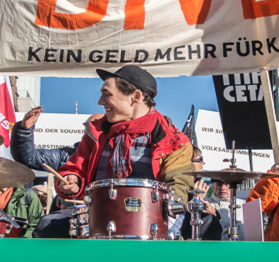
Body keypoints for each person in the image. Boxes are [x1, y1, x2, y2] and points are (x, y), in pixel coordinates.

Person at [55, 65, 194, 199]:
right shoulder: (96, 132)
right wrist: (72, 180)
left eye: (107, 94)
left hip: (149, 213)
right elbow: (75, 169)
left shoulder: (174, 141)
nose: (100, 102)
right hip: (98, 211)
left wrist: (165, 208)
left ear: (136, 96)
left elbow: (178, 190)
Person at [11, 108, 105, 172]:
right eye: (88, 126)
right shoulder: (66, 156)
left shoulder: (112, 157)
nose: (92, 130)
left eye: (98, 127)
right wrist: (24, 130)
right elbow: (29, 158)